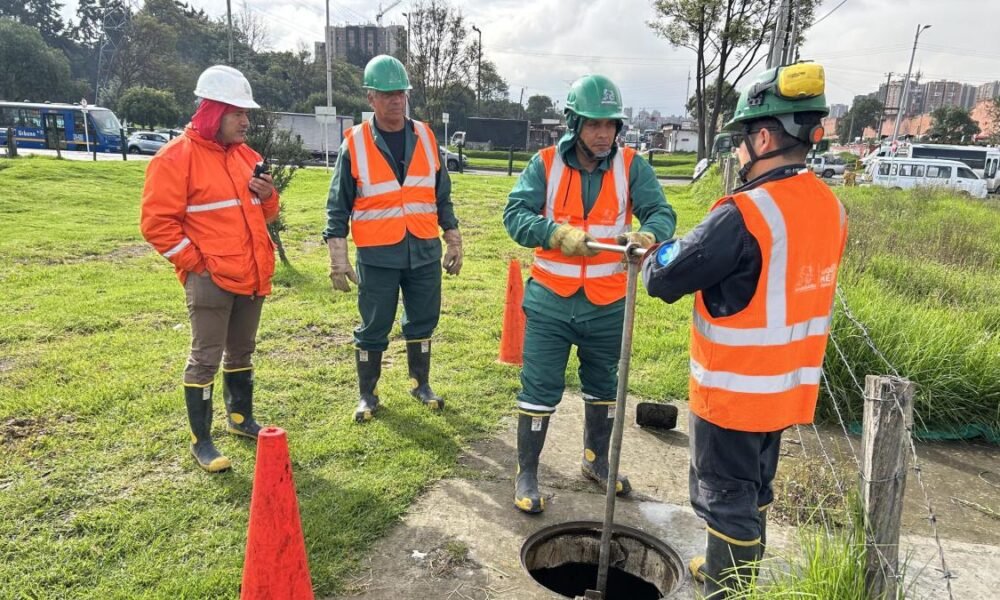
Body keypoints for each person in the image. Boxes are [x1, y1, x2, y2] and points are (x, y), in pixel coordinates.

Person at [641, 62, 847, 597]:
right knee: (753, 492)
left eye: (740, 142)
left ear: (762, 136)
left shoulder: (745, 212)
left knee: (723, 499)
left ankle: (727, 589)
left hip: (734, 393)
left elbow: (665, 277)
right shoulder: (831, 208)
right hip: (786, 389)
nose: (737, 154)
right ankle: (733, 573)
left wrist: (652, 253)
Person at [504, 74, 676, 514]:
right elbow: (515, 215)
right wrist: (554, 232)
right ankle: (527, 472)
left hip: (609, 302)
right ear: (573, 123)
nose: (604, 134)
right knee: (539, 388)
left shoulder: (632, 165)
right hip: (550, 301)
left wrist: (649, 233)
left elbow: (661, 211)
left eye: (611, 125)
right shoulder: (544, 164)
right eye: (594, 125)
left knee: (604, 385)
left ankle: (596, 462)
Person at [140, 65, 278, 473]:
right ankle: (202, 441)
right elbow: (156, 225)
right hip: (210, 280)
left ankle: (240, 420)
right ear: (215, 112)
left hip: (251, 275)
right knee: (205, 358)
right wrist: (197, 265)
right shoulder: (174, 159)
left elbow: (266, 213)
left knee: (241, 351)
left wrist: (269, 196)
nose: (246, 121)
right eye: (239, 113)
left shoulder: (247, 157)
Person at [323, 55, 462, 423]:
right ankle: (367, 395)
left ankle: (420, 383)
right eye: (387, 95)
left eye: (400, 93)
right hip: (378, 253)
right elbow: (338, 204)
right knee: (373, 326)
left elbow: (441, 194)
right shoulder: (354, 143)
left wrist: (453, 239)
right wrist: (338, 258)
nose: (396, 101)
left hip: (422, 250)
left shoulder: (426, 136)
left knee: (423, 321)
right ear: (371, 98)